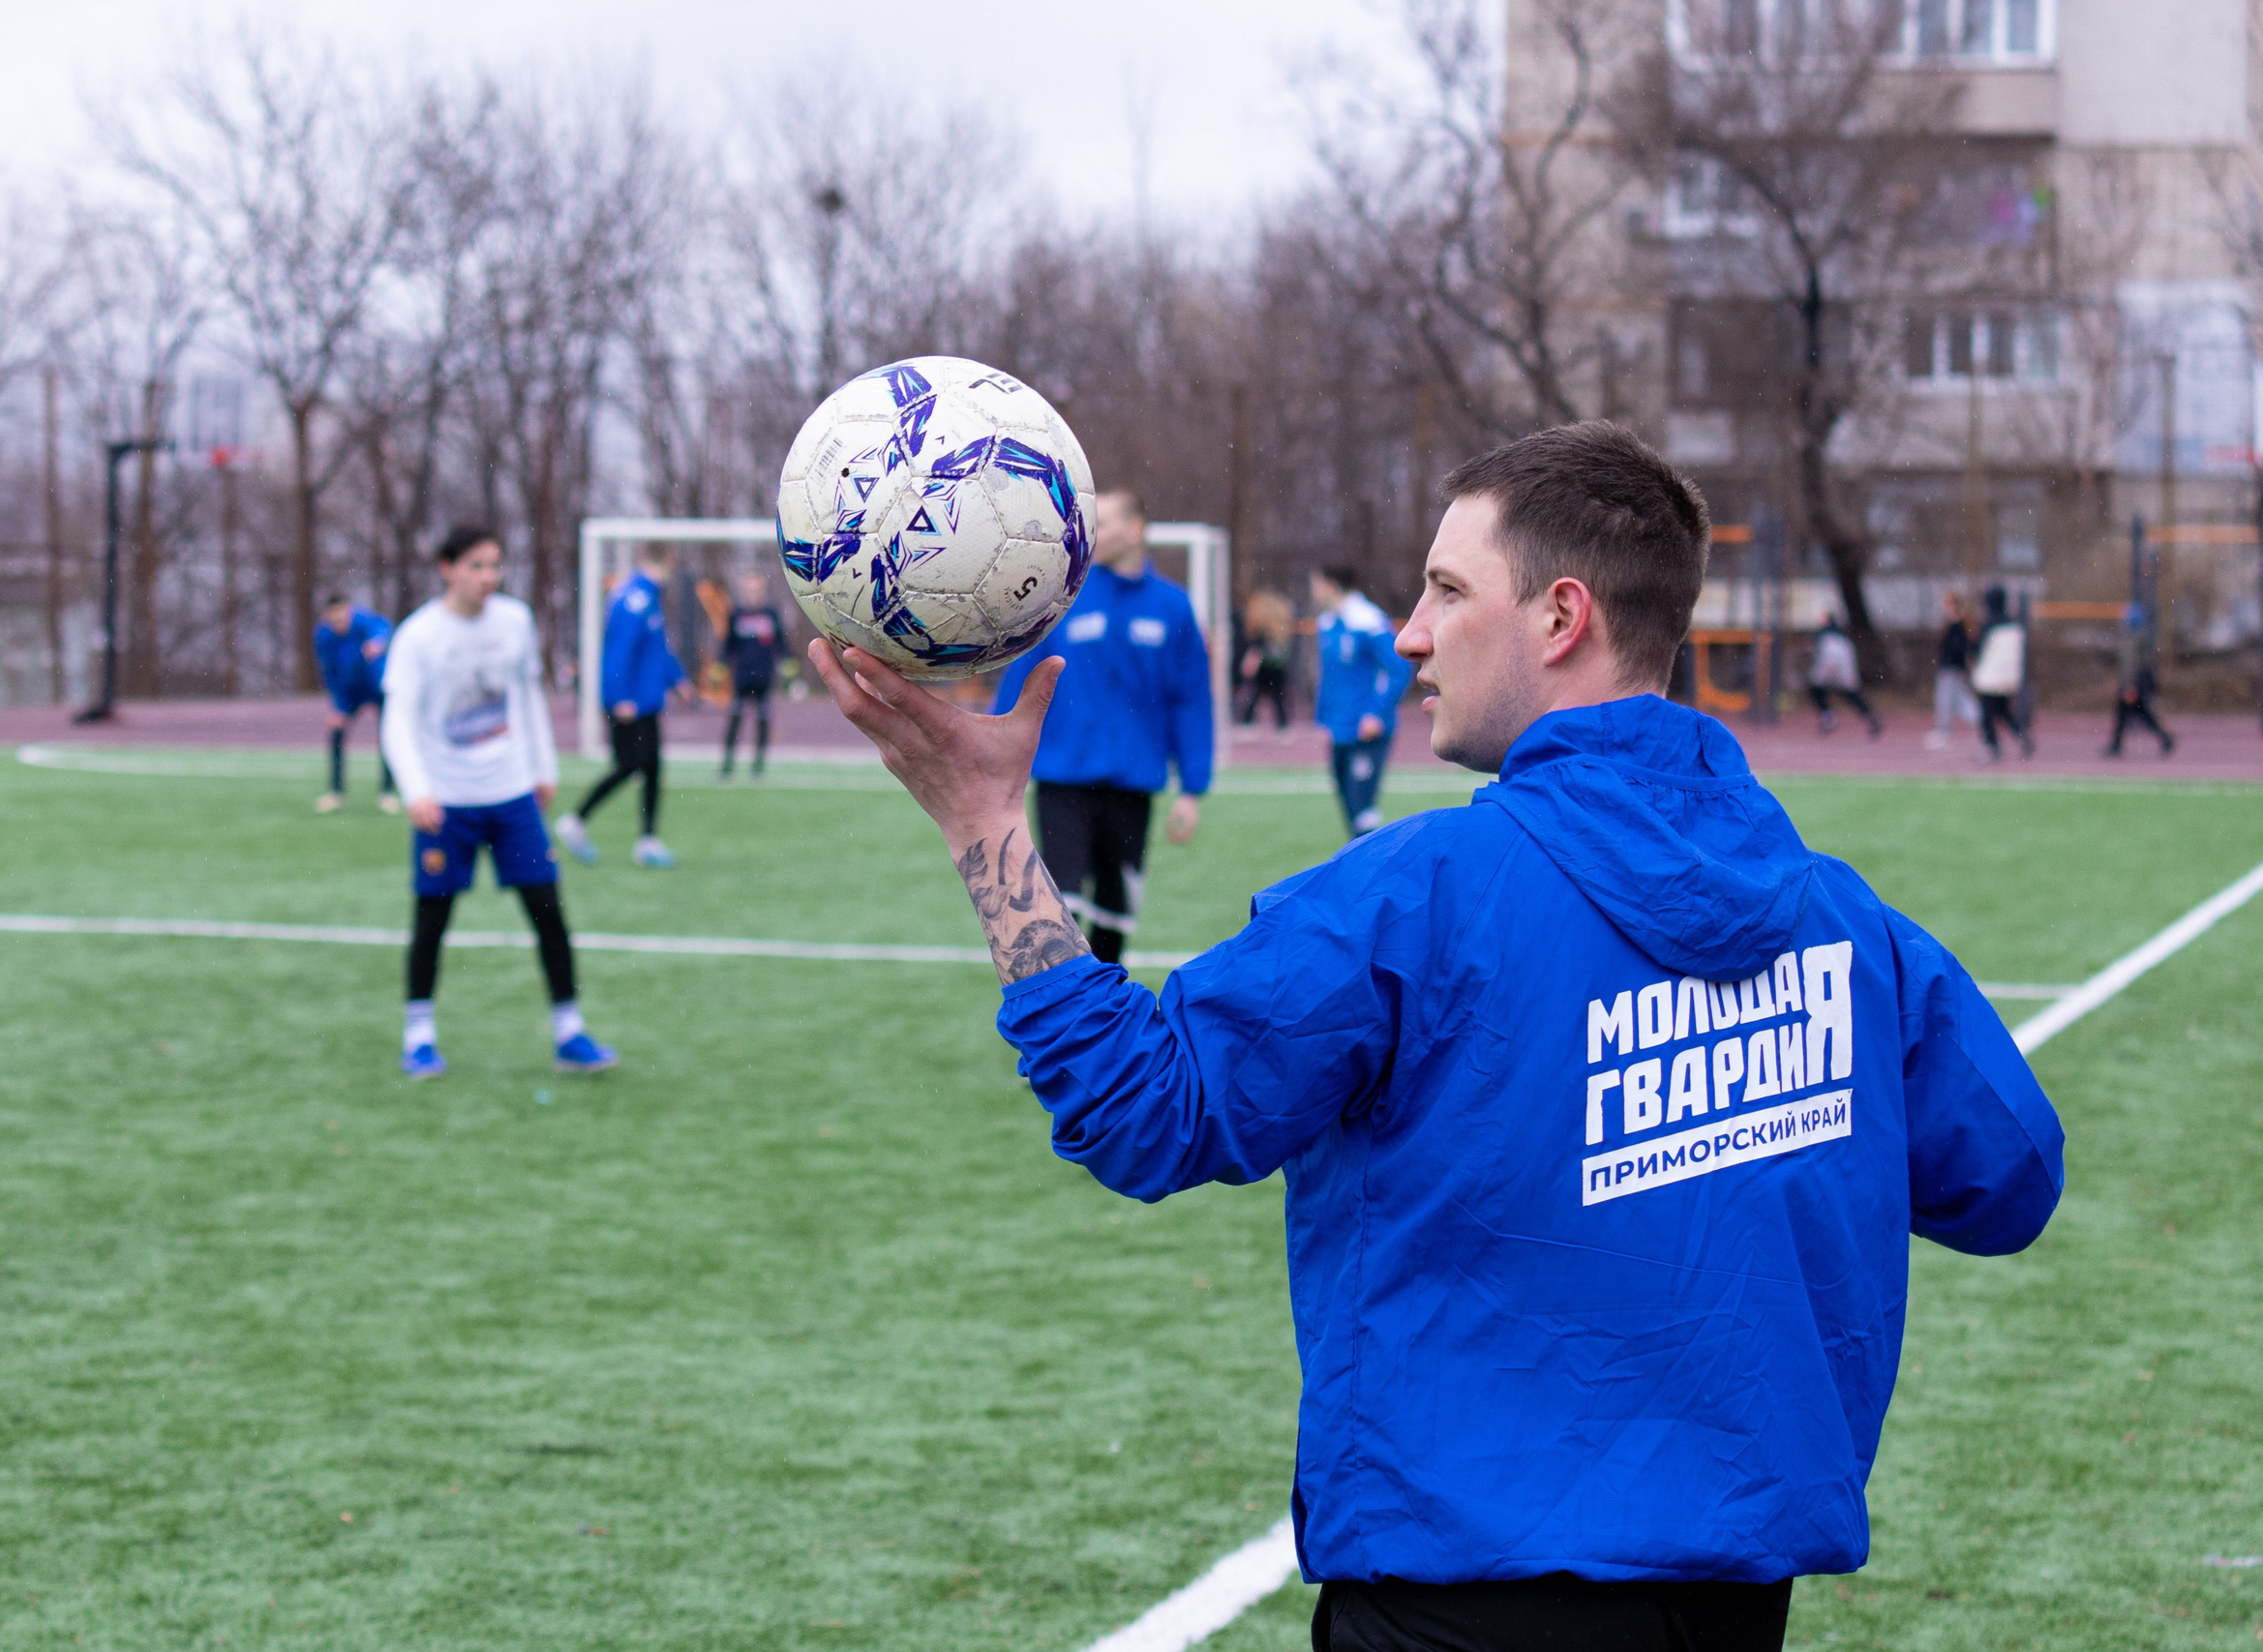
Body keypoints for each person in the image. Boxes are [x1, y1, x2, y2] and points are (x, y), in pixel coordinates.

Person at [808, 421, 2062, 1652]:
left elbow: (1146, 1108)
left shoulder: (1417, 894)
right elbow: (2005, 1177)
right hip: (1733, 1604)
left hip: (1452, 1598)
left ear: (1561, 618)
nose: (1409, 629)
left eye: (1448, 588)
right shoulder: (1849, 921)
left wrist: (983, 822)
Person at [379, 526, 616, 1081]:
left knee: (549, 915)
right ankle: (419, 1037)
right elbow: (398, 720)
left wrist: (543, 767)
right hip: (447, 804)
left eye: (495, 566)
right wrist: (415, 788)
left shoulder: (514, 621)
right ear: (448, 568)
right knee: (432, 920)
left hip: (511, 798)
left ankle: (569, 1032)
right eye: (477, 566)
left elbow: (528, 695)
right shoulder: (418, 636)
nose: (489, 577)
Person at [989, 490, 1213, 966]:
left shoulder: (1172, 608)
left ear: (1136, 530)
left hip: (1133, 788)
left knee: (1114, 917)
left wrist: (1193, 788)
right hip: (1063, 782)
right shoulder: (1062, 597)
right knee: (1059, 910)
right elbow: (1021, 677)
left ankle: (1105, 1018)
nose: (1094, 533)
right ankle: (1058, 1018)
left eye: (1105, 523)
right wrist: (993, 748)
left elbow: (1190, 699)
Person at [559, 546, 689, 869]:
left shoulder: (648, 595)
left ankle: (647, 840)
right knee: (630, 765)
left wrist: (678, 679)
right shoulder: (635, 597)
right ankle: (575, 820)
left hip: (645, 700)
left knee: (652, 768)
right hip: (631, 702)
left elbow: (657, 648)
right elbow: (618, 650)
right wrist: (619, 697)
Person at [1311, 566, 1410, 837]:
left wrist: (1376, 713)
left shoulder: (1369, 621)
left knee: (1362, 806)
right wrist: (1322, 718)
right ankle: (1361, 866)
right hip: (1338, 728)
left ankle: (1374, 870)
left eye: (1316, 583)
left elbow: (1398, 669)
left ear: (1331, 585)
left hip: (1368, 731)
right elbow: (1328, 677)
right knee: (1348, 806)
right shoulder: (1326, 624)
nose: (1313, 590)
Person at [311, 593, 399, 813]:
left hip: (378, 686)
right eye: (334, 619)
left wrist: (377, 641)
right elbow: (329, 673)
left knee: (388, 737)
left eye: (343, 617)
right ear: (327, 617)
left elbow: (384, 626)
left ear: (349, 610)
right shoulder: (323, 636)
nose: (339, 623)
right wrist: (338, 706)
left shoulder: (363, 621)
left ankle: (387, 793)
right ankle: (336, 792)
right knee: (336, 732)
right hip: (350, 692)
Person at [721, 569, 786, 779]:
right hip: (741, 677)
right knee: (735, 719)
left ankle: (758, 764)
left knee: (763, 720)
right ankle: (728, 763)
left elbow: (781, 644)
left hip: (764, 677)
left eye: (756, 589)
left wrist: (789, 668)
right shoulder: (736, 613)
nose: (752, 593)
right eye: (748, 589)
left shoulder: (770, 613)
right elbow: (728, 645)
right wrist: (719, 669)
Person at [1971, 585, 2034, 762]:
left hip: (1990, 678)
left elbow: (1976, 651)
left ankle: (1991, 747)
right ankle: (2022, 737)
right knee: (2003, 711)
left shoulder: (1987, 625)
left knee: (1987, 714)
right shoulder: (2014, 624)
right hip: (2008, 678)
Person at [2107, 612, 2177, 757]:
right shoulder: (2137, 638)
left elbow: (2131, 665)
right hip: (2133, 683)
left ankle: (2165, 738)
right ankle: (2116, 745)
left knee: (2140, 714)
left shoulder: (2133, 640)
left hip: (2133, 684)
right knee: (2127, 714)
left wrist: (2130, 686)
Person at [1806, 613, 1882, 738]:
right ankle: (1870, 718)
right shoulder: (1840, 634)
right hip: (1845, 663)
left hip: (1830, 662)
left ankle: (1827, 716)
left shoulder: (1822, 633)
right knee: (1850, 694)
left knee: (1816, 689)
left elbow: (1820, 649)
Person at [1237, 588, 1297, 734]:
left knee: (1260, 694)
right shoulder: (1277, 625)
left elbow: (1258, 646)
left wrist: (1252, 659)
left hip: (1267, 664)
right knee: (1273, 695)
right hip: (1275, 665)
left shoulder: (1265, 624)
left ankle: (1249, 722)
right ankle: (1281, 725)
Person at [1924, 592, 1976, 752]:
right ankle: (1982, 722)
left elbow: (1959, 648)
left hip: (1951, 670)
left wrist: (1948, 662)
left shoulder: (1958, 625)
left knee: (1946, 701)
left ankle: (1944, 733)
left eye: (1946, 604)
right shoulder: (1956, 624)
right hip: (1952, 669)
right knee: (1959, 701)